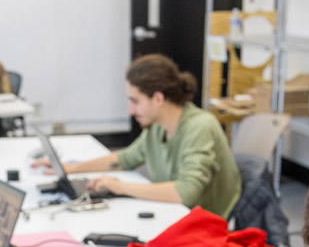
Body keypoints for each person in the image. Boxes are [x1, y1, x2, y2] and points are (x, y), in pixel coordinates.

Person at [34, 54, 241, 218]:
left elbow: (183, 193)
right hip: (174, 217)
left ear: (158, 98)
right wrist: (69, 168)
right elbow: (123, 159)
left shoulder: (199, 127)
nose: (131, 111)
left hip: (203, 226)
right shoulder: (158, 126)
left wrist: (121, 187)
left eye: (135, 101)